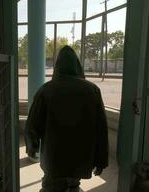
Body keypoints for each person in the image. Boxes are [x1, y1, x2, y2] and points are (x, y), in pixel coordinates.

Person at [25, 46, 109, 192]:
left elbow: (32, 124)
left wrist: (32, 147)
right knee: (74, 184)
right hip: (80, 156)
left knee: (51, 186)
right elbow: (101, 129)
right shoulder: (92, 90)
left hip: (54, 156)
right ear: (78, 66)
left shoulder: (46, 90)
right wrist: (101, 160)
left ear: (57, 66)